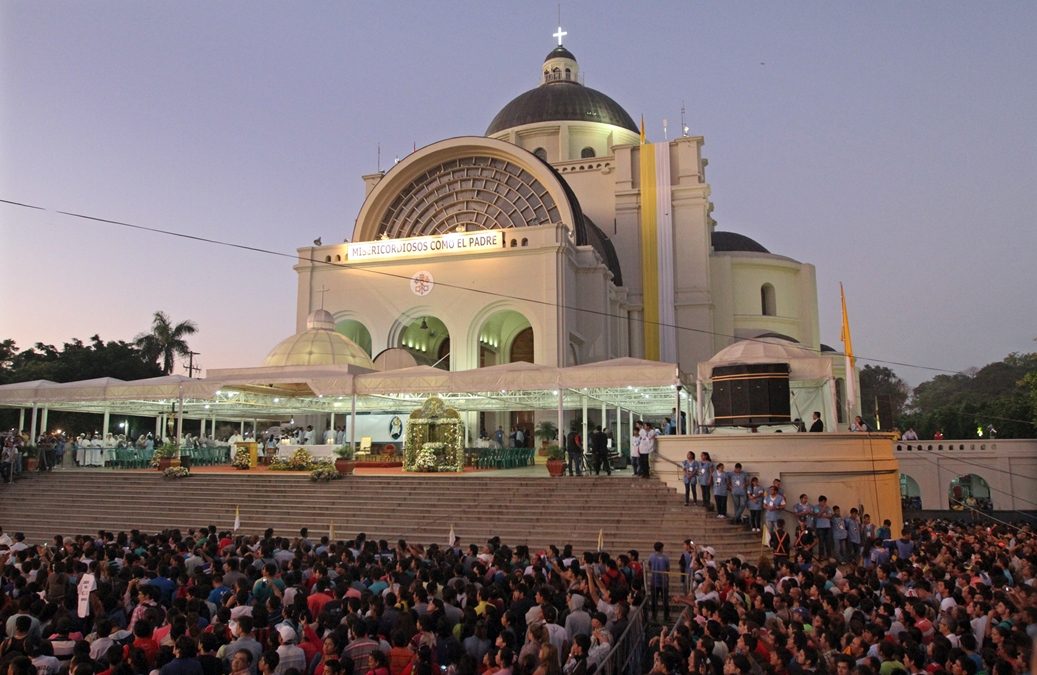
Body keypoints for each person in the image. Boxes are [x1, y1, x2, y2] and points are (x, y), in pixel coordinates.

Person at [647, 542, 670, 622]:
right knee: (665, 600)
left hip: (654, 581)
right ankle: (666, 617)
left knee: (654, 600)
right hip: (664, 582)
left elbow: (649, 565)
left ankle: (654, 616)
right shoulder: (665, 558)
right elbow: (668, 568)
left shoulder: (651, 557)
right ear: (661, 548)